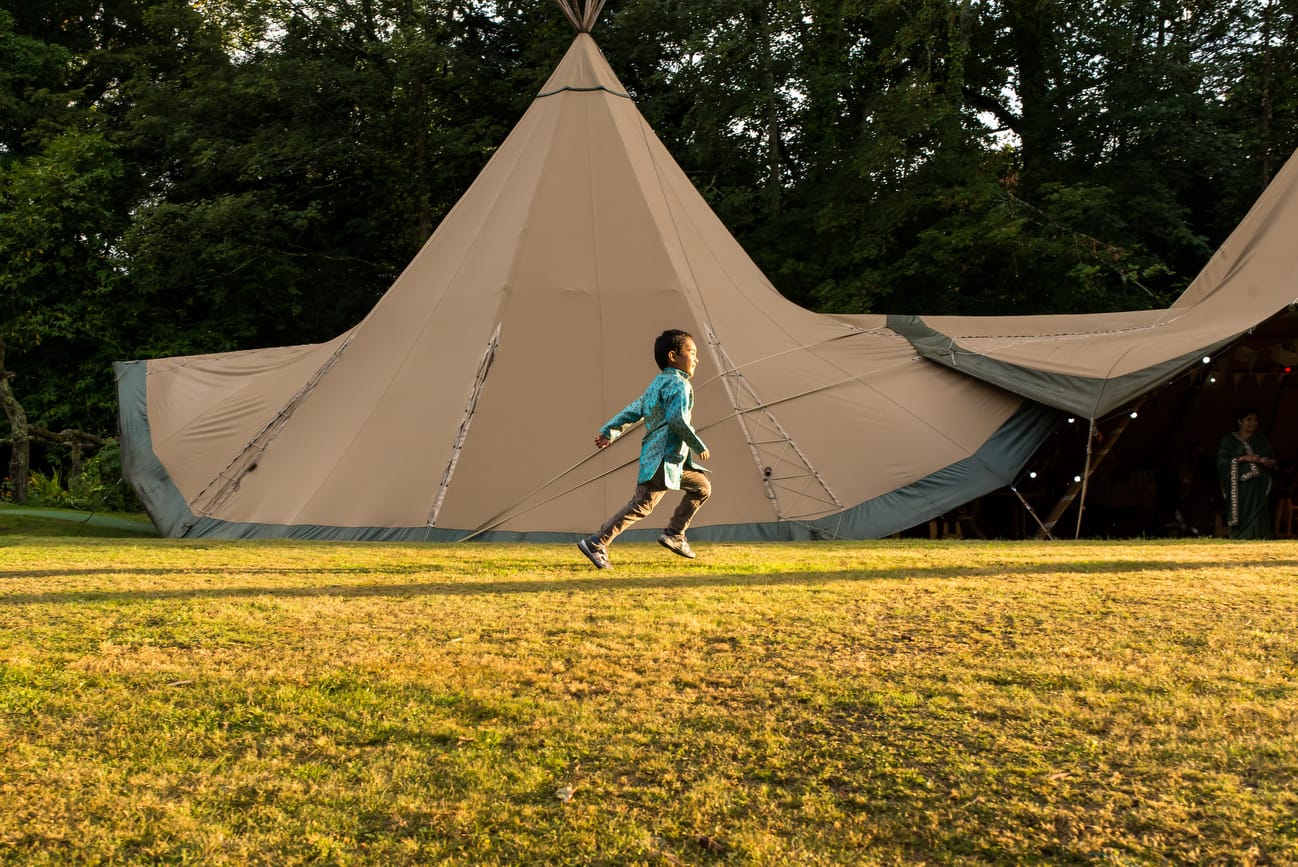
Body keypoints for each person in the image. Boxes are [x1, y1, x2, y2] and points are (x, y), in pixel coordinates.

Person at [577, 329, 711, 569]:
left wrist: (609, 430)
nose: (696, 359)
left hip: (662, 459)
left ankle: (674, 533)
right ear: (673, 356)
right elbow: (677, 419)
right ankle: (597, 542)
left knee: (700, 487)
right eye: (691, 352)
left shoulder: (657, 384)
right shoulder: (680, 385)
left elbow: (634, 409)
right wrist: (697, 444)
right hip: (664, 460)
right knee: (642, 505)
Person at [1216, 407, 1278, 539]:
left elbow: (1273, 460)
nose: (1253, 423)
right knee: (1245, 512)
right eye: (1248, 419)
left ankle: (1261, 537)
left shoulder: (1261, 439)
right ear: (1240, 421)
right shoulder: (1229, 440)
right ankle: (1241, 536)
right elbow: (1222, 462)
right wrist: (1243, 458)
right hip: (1241, 487)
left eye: (1255, 420)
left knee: (1259, 512)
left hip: (1260, 486)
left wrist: (1267, 461)